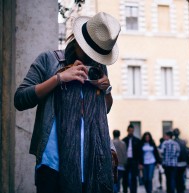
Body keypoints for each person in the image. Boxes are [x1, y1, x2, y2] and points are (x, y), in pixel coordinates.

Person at [14, 12, 119, 193]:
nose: (94, 58)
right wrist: (59, 78)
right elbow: (20, 99)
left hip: (93, 167)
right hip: (53, 166)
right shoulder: (49, 61)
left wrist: (106, 90)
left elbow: (105, 110)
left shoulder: (98, 69)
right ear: (79, 41)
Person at [122, 124, 141, 193]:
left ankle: (134, 191)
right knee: (125, 177)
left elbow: (139, 153)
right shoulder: (124, 140)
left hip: (134, 161)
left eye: (132, 131)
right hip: (126, 161)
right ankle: (125, 190)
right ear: (127, 131)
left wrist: (140, 163)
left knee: (134, 178)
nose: (131, 132)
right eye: (130, 131)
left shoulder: (137, 141)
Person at [173, 128, 189, 193]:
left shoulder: (173, 142)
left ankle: (178, 189)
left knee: (177, 177)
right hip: (183, 162)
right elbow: (186, 152)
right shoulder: (183, 142)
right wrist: (188, 162)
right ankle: (182, 188)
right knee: (182, 176)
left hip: (175, 162)